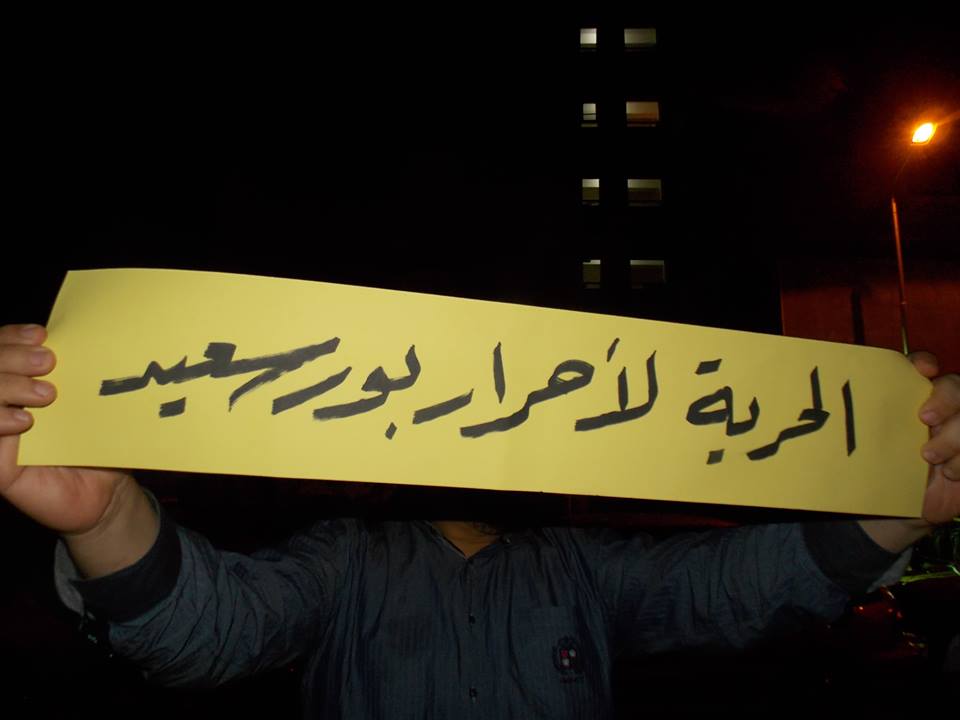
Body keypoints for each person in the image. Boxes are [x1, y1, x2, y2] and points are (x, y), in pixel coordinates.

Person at [2, 322, 958, 718]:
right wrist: (108, 515)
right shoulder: (345, 562)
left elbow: (728, 593)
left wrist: (894, 516)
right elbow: (215, 631)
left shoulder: (581, 569)